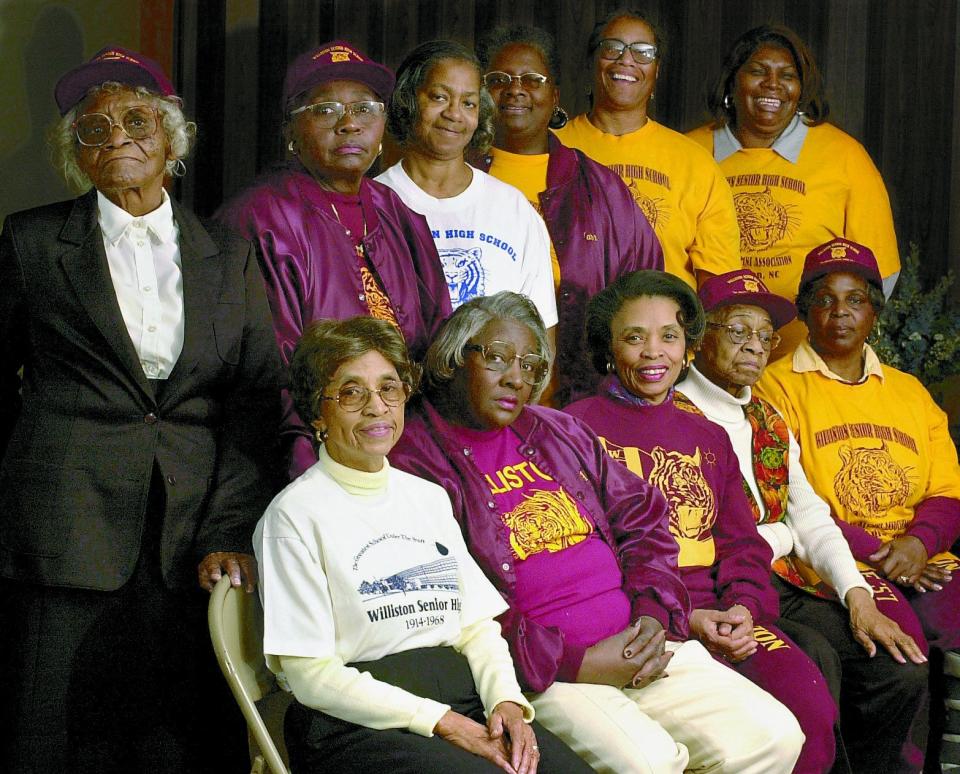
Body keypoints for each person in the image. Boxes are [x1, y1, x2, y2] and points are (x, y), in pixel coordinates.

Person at [0, 47, 283, 773]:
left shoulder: (228, 250)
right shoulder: (31, 242)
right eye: (93, 130)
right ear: (77, 156)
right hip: (62, 533)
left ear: (171, 141)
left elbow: (252, 401)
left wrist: (228, 529)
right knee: (50, 738)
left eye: (136, 120)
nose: (117, 136)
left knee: (177, 741)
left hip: (190, 543)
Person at [389, 291, 804, 774]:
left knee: (774, 735)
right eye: (497, 358)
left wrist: (652, 614)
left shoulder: (556, 431)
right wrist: (574, 662)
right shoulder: (413, 459)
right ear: (454, 360)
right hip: (548, 672)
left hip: (641, 640)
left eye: (530, 363)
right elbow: (452, 600)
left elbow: (644, 519)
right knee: (649, 764)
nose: (516, 378)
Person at [255, 316, 590, 774]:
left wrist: (506, 702)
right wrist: (438, 721)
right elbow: (311, 677)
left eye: (389, 389)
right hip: (355, 723)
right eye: (352, 393)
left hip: (461, 698)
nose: (377, 408)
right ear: (318, 413)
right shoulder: (294, 516)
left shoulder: (427, 497)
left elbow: (476, 628)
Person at [566, 270, 836, 773]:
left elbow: (743, 545)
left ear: (688, 347)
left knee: (810, 707)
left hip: (723, 615)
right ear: (608, 349)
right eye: (634, 337)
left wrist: (743, 608)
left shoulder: (708, 436)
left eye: (669, 336)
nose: (654, 353)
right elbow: (582, 558)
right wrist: (687, 619)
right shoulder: (574, 428)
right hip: (636, 619)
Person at [677, 268, 929, 772]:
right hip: (719, 586)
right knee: (818, 659)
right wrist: (783, 534)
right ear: (700, 337)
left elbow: (809, 513)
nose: (755, 346)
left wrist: (857, 597)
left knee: (895, 669)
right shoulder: (676, 414)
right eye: (738, 331)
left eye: (765, 336)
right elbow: (719, 536)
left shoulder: (767, 417)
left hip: (786, 579)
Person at [755, 238, 960, 767]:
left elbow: (947, 492)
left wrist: (918, 544)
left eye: (855, 299)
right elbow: (789, 499)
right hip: (826, 560)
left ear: (874, 311)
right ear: (803, 311)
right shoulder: (774, 387)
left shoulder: (910, 392)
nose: (840, 312)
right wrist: (882, 555)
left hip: (919, 555)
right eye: (824, 299)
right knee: (900, 652)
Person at [218, 40, 452, 478]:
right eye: (325, 111)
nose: (349, 124)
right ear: (290, 130)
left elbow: (438, 337)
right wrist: (320, 479)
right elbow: (273, 376)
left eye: (365, 109)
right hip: (311, 456)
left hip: (408, 447)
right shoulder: (261, 218)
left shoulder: (397, 211)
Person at [472, 24, 663, 407]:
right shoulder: (456, 178)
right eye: (498, 80)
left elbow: (645, 295)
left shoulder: (599, 189)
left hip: (582, 401)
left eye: (532, 79)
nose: (515, 89)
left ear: (555, 95)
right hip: (472, 398)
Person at [687, 24, 900, 356]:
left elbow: (879, 273)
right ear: (733, 80)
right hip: (711, 358)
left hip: (808, 360)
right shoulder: (691, 152)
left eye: (787, 75)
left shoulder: (844, 156)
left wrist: (835, 346)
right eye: (757, 71)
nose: (772, 84)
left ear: (801, 88)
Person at [376, 40, 557, 347]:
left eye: (468, 103)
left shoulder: (512, 208)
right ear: (409, 100)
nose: (454, 114)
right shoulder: (375, 200)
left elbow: (541, 339)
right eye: (439, 97)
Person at [554, 8, 740, 290]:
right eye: (612, 48)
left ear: (656, 72)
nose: (626, 59)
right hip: (569, 326)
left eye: (643, 52)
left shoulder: (694, 162)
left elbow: (717, 284)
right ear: (592, 62)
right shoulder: (552, 146)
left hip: (664, 328)